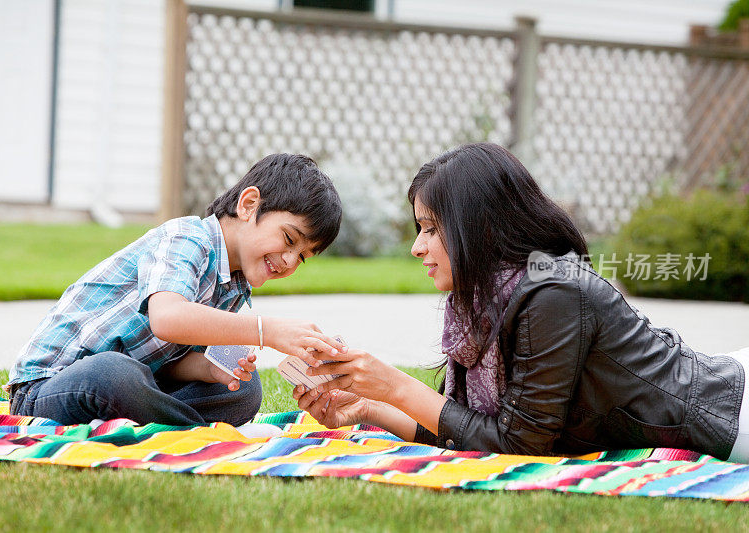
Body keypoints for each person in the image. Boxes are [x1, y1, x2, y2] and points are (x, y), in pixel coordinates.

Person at [295, 142, 749, 462]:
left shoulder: (554, 293)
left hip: (733, 415)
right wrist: (369, 407)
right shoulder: (485, 301)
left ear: (478, 227)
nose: (417, 247)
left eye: (431, 228)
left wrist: (393, 386)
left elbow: (519, 444)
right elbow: (462, 426)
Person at [7, 153, 347, 427]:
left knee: (244, 390)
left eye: (302, 256)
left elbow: (169, 360)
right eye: (289, 239)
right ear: (248, 205)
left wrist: (208, 369)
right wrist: (266, 331)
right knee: (114, 372)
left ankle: (163, 423)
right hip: (51, 387)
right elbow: (167, 319)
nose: (289, 260)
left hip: (137, 378)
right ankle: (190, 429)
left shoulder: (234, 285)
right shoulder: (187, 239)